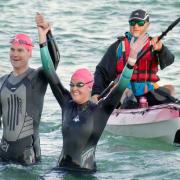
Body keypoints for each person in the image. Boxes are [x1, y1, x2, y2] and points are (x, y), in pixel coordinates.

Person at [37, 15, 148, 171]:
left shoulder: (100, 110)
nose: (74, 88)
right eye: (72, 84)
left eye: (79, 85)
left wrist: (131, 60)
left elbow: (121, 85)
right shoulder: (66, 104)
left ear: (90, 87)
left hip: (85, 173)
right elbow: (50, 72)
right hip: (60, 170)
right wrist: (42, 39)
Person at [0, 15, 60, 165]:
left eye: (20, 50)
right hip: (4, 154)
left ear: (29, 53)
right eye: (12, 50)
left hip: (28, 159)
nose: (15, 54)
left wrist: (46, 34)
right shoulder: (2, 81)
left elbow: (54, 60)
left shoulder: (37, 77)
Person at [92, 9, 176, 107]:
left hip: (146, 91)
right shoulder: (119, 46)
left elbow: (170, 60)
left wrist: (161, 49)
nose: (136, 26)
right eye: (132, 22)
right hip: (124, 92)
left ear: (147, 25)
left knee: (170, 89)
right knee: (126, 93)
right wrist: (96, 93)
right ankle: (133, 112)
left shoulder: (154, 44)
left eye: (140, 23)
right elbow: (102, 71)